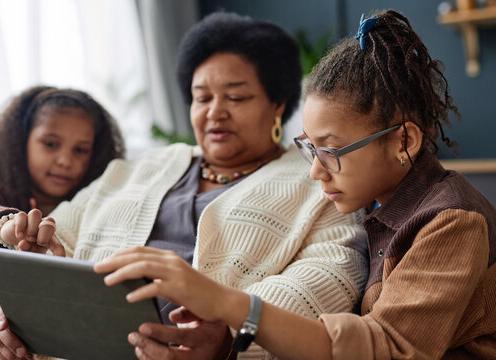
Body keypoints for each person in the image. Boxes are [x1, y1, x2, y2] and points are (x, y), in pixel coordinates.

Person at [0, 12, 369, 360]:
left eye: (237, 98)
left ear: (277, 104)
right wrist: (1, 306)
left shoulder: (317, 178)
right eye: (201, 97)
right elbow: (50, 237)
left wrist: (229, 336)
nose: (215, 113)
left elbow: (330, 274)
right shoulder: (140, 167)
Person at [92, 9, 496, 360]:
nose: (316, 171)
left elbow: (385, 348)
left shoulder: (453, 221)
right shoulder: (378, 205)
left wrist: (223, 301)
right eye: (309, 148)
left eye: (332, 151)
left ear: (404, 141)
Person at [0, 86, 125, 341]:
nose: (65, 160)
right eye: (50, 144)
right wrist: (6, 228)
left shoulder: (93, 207)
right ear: (20, 142)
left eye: (80, 150)